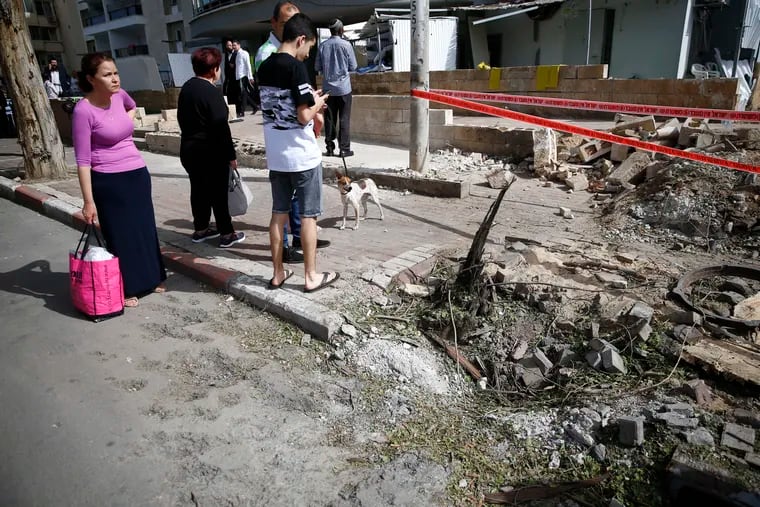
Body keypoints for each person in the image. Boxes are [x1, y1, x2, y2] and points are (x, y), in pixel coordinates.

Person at [72, 53, 166, 308]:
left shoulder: (119, 95)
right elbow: (82, 160)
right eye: (107, 74)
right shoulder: (83, 110)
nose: (114, 79)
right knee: (121, 233)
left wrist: (127, 119)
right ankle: (127, 285)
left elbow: (132, 105)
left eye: (115, 73)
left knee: (145, 228)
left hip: (136, 173)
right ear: (91, 79)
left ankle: (153, 276)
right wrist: (88, 201)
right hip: (108, 180)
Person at [258, 13, 339, 293]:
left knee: (278, 214)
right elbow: (304, 116)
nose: (307, 54)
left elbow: (278, 107)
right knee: (308, 217)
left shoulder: (264, 66)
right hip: (302, 157)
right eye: (309, 47)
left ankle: (278, 274)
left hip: (277, 157)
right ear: (301, 39)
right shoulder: (296, 68)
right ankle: (311, 276)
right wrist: (317, 103)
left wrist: (308, 102)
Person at [177, 47, 246, 249]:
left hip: (189, 149)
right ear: (215, 69)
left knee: (198, 190)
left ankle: (201, 229)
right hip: (209, 151)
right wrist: (230, 155)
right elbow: (221, 128)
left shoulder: (187, 88)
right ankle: (227, 233)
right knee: (218, 193)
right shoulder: (211, 92)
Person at [315, 18, 357, 157]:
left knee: (329, 119)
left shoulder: (322, 46)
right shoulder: (346, 45)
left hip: (328, 90)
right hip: (344, 88)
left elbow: (317, 67)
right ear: (341, 30)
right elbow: (354, 66)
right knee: (344, 119)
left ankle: (330, 148)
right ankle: (344, 149)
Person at [233, 41, 258, 118]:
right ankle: (255, 106)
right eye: (233, 45)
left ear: (239, 45)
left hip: (243, 76)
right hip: (239, 76)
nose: (234, 47)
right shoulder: (236, 54)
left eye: (235, 45)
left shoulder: (244, 53)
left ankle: (242, 111)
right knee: (244, 94)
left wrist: (250, 77)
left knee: (243, 93)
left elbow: (248, 65)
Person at [222, 38, 240, 121]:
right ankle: (231, 110)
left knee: (237, 93)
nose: (229, 47)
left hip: (235, 76)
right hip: (228, 77)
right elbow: (226, 66)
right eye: (227, 45)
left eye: (230, 45)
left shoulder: (236, 53)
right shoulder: (226, 54)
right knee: (228, 93)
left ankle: (239, 110)